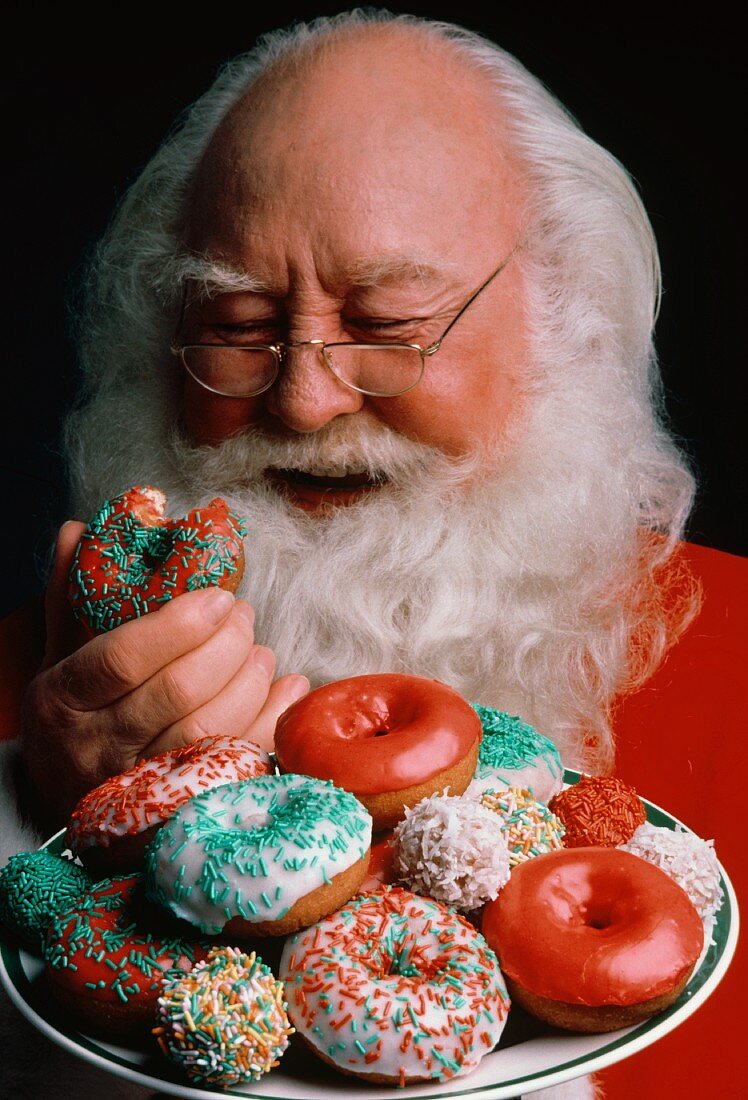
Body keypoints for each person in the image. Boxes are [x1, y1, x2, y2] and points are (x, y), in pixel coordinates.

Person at [1, 10, 742, 1100]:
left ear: (569, 325)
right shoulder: (34, 709)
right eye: (238, 321)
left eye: (390, 323)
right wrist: (59, 823)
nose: (301, 399)